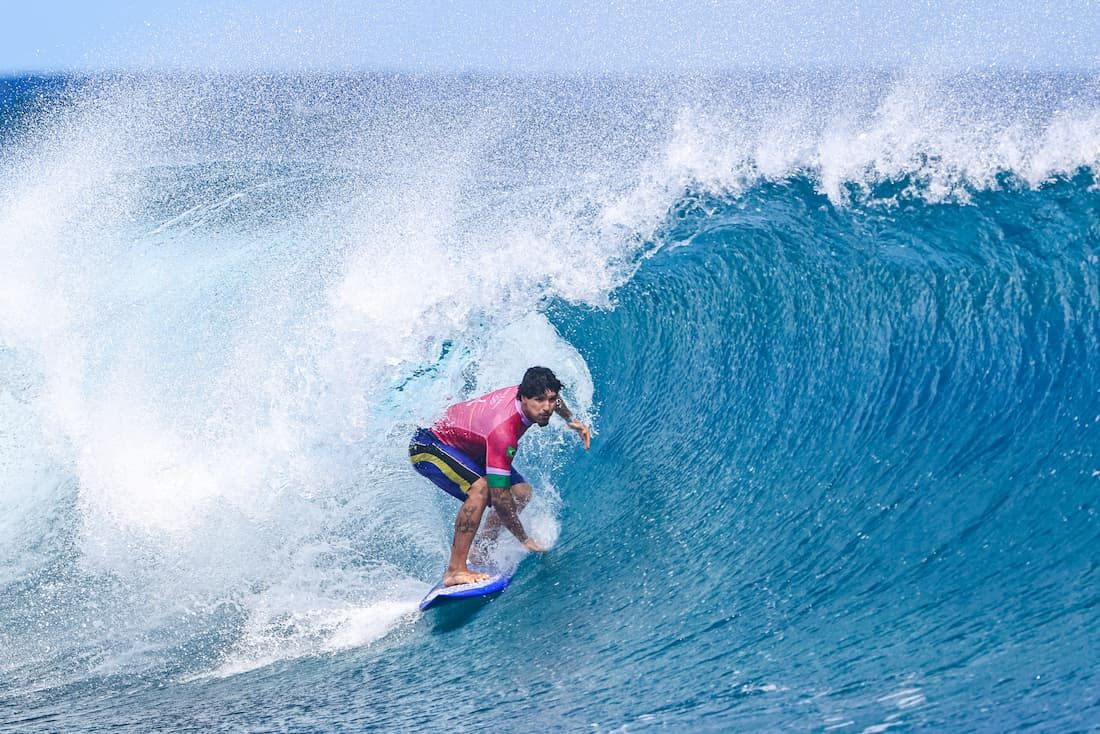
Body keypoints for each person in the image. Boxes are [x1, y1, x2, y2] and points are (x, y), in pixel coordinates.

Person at [409, 366, 591, 586]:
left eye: (550, 400)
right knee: (483, 489)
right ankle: (455, 570)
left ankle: (481, 549)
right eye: (539, 400)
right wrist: (524, 539)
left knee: (521, 493)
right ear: (523, 397)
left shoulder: (529, 392)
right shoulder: (504, 433)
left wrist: (571, 420)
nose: (547, 408)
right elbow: (500, 499)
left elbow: (553, 396)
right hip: (429, 445)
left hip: (469, 447)